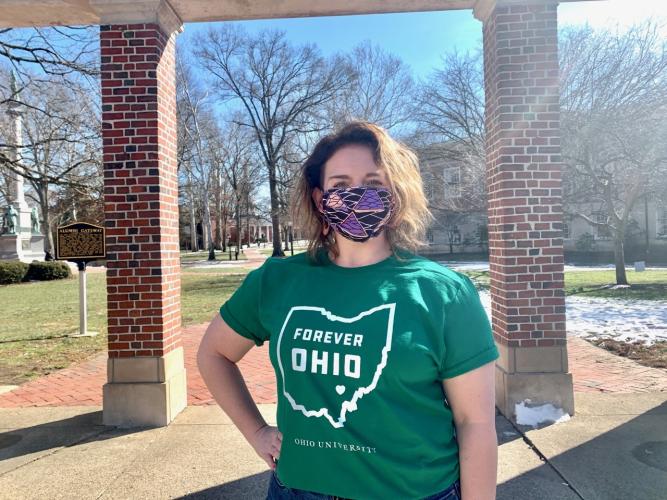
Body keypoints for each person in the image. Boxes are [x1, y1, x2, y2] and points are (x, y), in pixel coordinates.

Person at [197, 121, 499, 500]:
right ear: (319, 198)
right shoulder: (278, 280)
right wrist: (256, 432)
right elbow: (214, 353)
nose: (357, 195)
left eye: (373, 184)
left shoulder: (443, 292)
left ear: (397, 191)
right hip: (298, 491)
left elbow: (474, 422)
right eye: (340, 186)